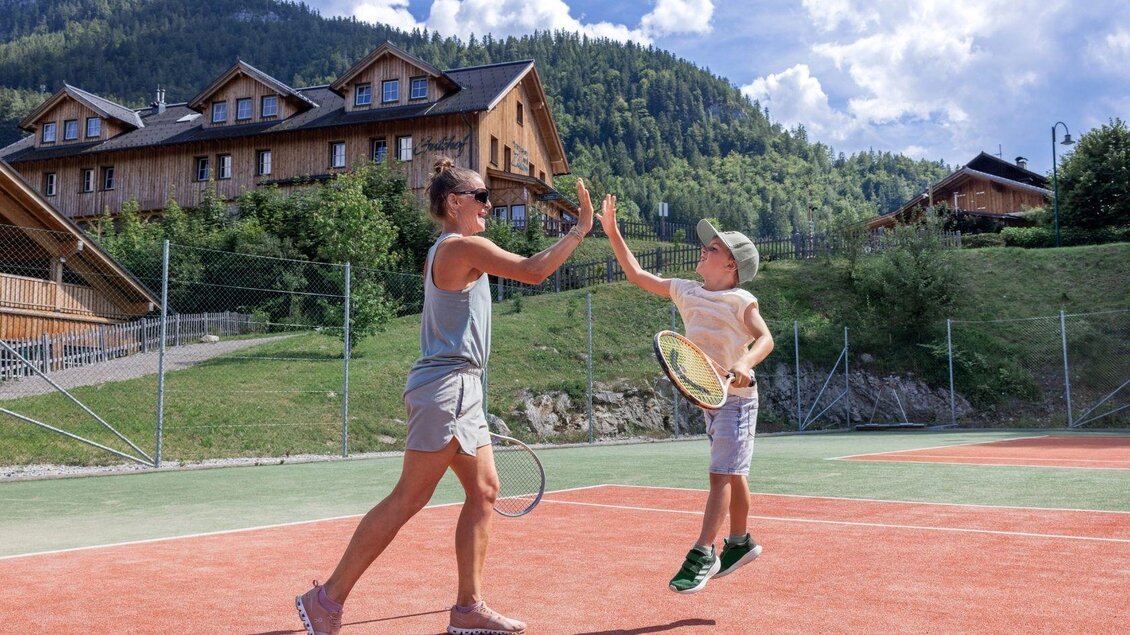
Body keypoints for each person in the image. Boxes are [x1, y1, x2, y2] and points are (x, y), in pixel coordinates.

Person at [296, 157, 596, 635]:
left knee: (485, 491)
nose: (488, 206)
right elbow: (534, 271)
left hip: (462, 389)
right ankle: (325, 599)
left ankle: (468, 607)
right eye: (482, 198)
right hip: (447, 388)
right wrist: (579, 229)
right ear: (455, 203)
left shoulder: (451, 248)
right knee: (409, 498)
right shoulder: (460, 247)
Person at [598, 197, 773, 594]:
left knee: (721, 474)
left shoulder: (741, 300)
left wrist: (745, 362)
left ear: (731, 265)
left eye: (714, 248)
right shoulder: (686, 290)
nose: (704, 250)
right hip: (709, 396)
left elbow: (765, 338)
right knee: (733, 472)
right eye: (706, 246)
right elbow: (637, 274)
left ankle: (703, 552)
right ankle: (741, 542)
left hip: (738, 400)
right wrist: (613, 232)